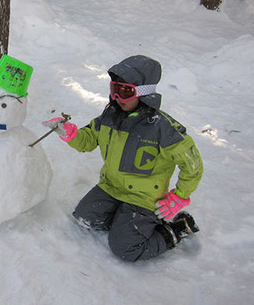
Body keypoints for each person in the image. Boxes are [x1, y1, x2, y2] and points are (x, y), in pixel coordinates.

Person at [44, 55, 203, 262]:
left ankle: (174, 230)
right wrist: (70, 133)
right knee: (86, 218)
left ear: (144, 93)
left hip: (143, 198)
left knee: (125, 247)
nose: (118, 97)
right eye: (114, 89)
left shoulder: (162, 127)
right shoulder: (110, 116)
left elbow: (192, 164)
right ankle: (125, 220)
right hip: (111, 187)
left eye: (125, 91)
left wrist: (181, 194)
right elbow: (89, 140)